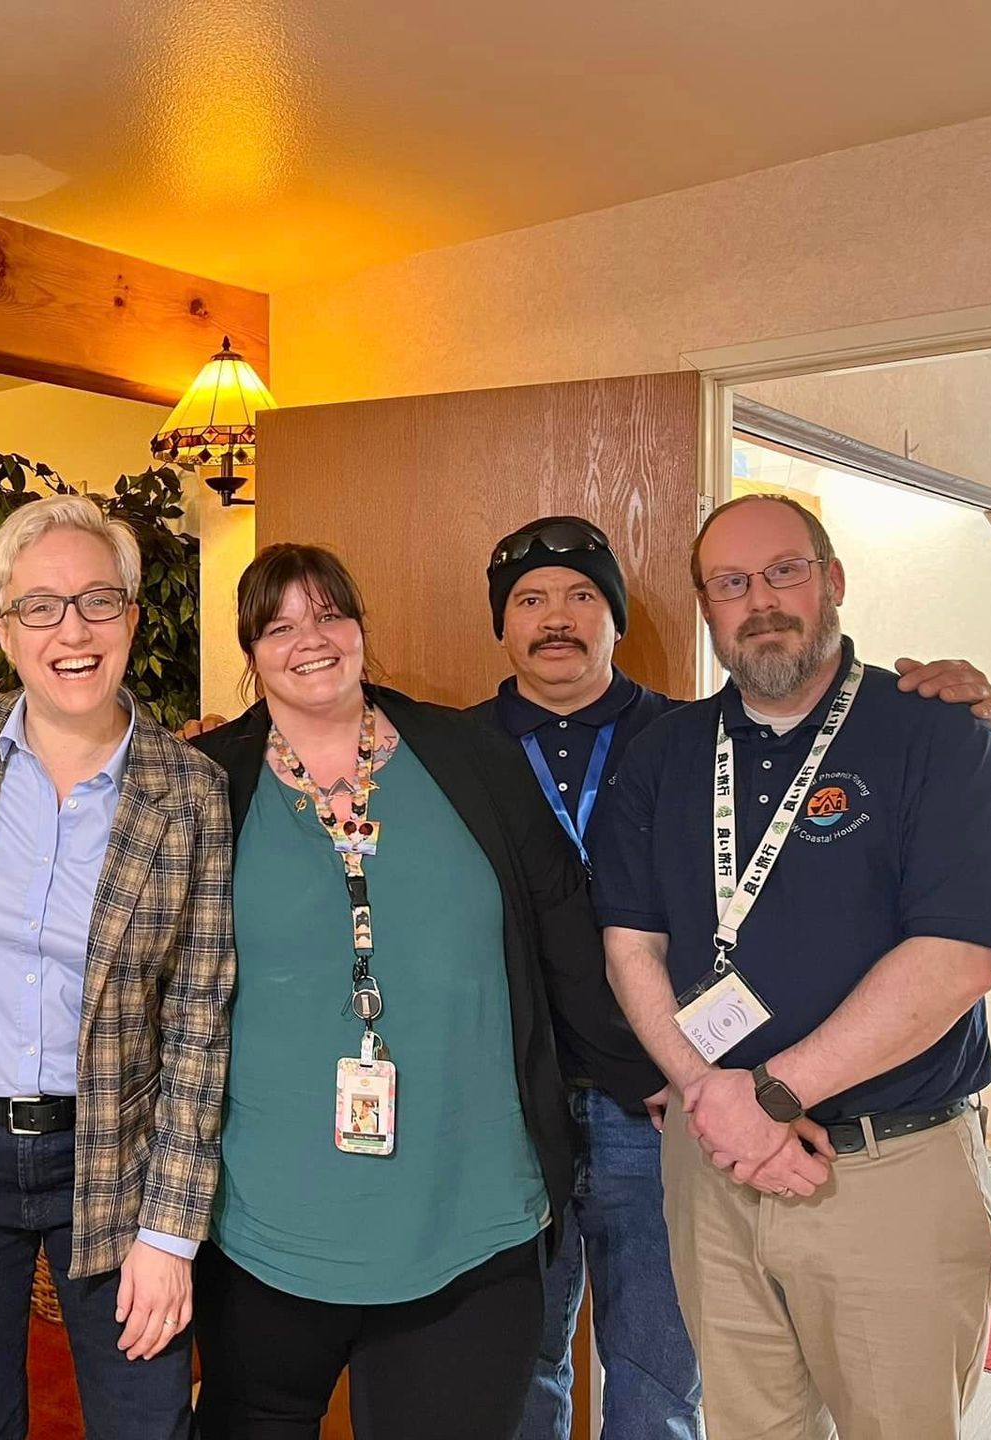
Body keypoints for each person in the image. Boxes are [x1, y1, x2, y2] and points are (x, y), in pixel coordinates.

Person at [473, 515, 991, 1440]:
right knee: (707, 1412)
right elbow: (630, 942)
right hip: (632, 1130)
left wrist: (755, 1094)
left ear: (832, 579)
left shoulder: (928, 733)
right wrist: (715, 1098)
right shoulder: (640, 751)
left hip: (845, 1151)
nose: (759, 602)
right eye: (730, 583)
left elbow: (957, 958)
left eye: (783, 573)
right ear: (707, 606)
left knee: (678, 1383)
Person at [187, 543, 663, 1440]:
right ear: (250, 652)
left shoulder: (468, 754)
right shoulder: (208, 780)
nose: (311, 640)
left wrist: (653, 1070)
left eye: (330, 615)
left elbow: (563, 929)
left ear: (362, 630)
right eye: (280, 625)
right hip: (266, 1222)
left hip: (469, 1211)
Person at [0, 495, 235, 1440]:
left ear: (131, 616)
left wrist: (170, 1233)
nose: (71, 630)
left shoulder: (191, 790)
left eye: (97, 601)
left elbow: (200, 1023)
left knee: (144, 1422)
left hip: (118, 1159)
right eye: (41, 606)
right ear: (4, 628)